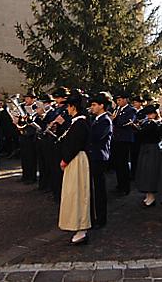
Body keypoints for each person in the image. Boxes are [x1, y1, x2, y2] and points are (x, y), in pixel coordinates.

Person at [57, 93, 92, 245]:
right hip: (74, 160)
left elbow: (74, 144)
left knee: (78, 193)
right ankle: (76, 225)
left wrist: (65, 159)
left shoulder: (80, 123)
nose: (67, 109)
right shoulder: (75, 122)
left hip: (77, 159)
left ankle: (81, 228)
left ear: (73, 107)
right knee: (73, 193)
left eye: (68, 106)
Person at [87, 92, 113, 228]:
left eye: (94, 105)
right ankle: (94, 215)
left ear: (102, 106)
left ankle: (101, 218)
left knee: (99, 189)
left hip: (99, 158)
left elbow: (95, 137)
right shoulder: (96, 119)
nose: (92, 107)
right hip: (93, 157)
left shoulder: (105, 121)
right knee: (94, 188)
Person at [134, 103, 162, 207]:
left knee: (150, 172)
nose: (149, 116)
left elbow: (142, 134)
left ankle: (151, 196)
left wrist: (135, 127)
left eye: (151, 114)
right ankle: (148, 195)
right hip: (146, 148)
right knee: (144, 172)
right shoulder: (148, 123)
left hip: (151, 148)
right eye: (148, 114)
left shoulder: (154, 124)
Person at [110, 92, 136, 196]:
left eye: (120, 99)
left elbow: (125, 122)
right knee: (117, 163)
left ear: (125, 100)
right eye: (117, 100)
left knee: (123, 163)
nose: (118, 102)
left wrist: (114, 119)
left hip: (124, 139)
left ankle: (125, 187)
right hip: (116, 139)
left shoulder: (131, 110)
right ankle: (119, 184)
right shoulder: (117, 109)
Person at [129, 95, 145, 180]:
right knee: (133, 155)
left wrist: (136, 123)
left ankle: (139, 173)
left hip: (140, 135)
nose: (134, 104)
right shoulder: (132, 111)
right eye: (133, 102)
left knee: (139, 155)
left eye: (136, 102)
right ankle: (133, 173)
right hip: (132, 135)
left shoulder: (143, 112)